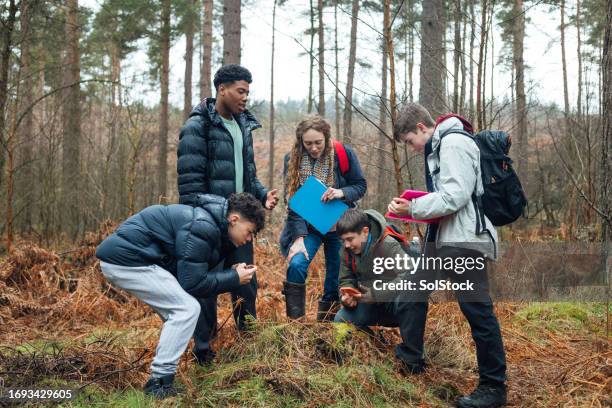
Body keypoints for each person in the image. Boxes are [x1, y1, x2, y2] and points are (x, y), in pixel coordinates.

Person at [389, 103, 507, 408]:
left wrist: (413, 208)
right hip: (445, 239)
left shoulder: (454, 142)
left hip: (465, 240)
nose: (412, 149)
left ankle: (493, 387)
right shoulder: (441, 145)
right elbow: (448, 195)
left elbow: (455, 195)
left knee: (477, 311)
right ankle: (411, 359)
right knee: (414, 287)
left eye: (409, 142)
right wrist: (415, 203)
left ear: (420, 128)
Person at [96, 193, 266, 399]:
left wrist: (231, 272)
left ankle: (161, 378)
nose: (249, 239)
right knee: (186, 309)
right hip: (126, 260)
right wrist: (233, 278)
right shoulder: (203, 226)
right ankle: (159, 383)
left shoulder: (212, 225)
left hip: (132, 259)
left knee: (180, 310)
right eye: (249, 232)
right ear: (234, 219)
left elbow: (195, 274)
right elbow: (192, 283)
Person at [177, 64, 279, 365]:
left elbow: (248, 173)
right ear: (221, 89)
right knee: (206, 287)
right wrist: (222, 213)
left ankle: (249, 345)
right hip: (208, 225)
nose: (245, 98)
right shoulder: (198, 127)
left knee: (245, 282)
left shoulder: (243, 125)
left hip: (240, 224)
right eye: (240, 91)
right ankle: (204, 352)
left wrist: (261, 194)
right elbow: (189, 189)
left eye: (248, 91)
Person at [280, 115, 367, 321]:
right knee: (297, 263)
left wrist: (341, 192)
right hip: (308, 228)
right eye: (308, 143)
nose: (313, 148)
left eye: (318, 142)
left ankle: (329, 326)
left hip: (339, 226)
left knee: (335, 277)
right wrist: (298, 238)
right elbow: (293, 201)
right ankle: (295, 326)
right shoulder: (291, 159)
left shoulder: (343, 154)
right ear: (300, 141)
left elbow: (360, 185)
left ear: (326, 138)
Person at [333, 208, 411, 332]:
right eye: (343, 241)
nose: (346, 245)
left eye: (350, 239)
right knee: (341, 319)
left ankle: (412, 350)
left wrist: (376, 294)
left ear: (365, 231)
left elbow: (408, 276)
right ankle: (365, 343)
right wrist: (348, 296)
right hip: (369, 304)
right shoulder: (346, 251)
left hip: (396, 304)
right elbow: (346, 279)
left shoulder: (388, 244)